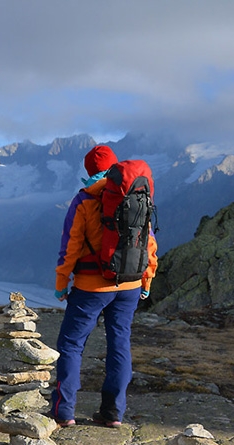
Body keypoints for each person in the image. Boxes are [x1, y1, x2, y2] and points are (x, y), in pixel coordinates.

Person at [49, 145, 158, 428]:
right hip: (130, 284)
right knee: (119, 343)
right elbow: (149, 244)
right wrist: (146, 280)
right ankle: (112, 413)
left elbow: (69, 247)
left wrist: (62, 284)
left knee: (71, 345)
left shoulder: (84, 200)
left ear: (88, 171)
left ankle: (64, 412)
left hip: (91, 288)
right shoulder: (136, 195)